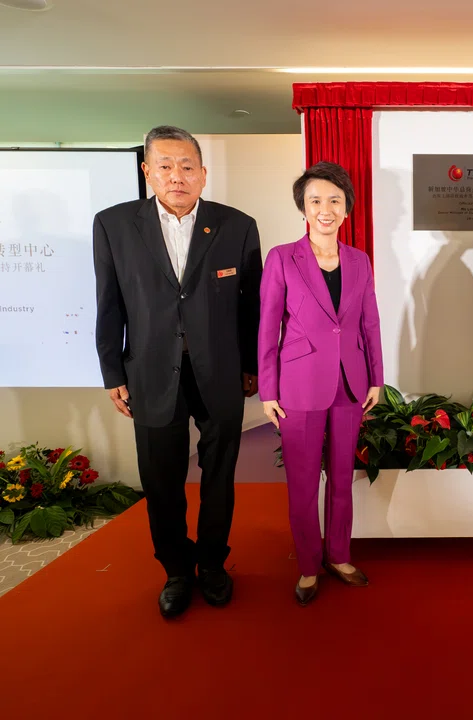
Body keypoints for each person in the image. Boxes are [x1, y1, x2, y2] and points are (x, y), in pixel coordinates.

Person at [93, 125, 262, 618]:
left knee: (219, 475)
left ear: (203, 174)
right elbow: (109, 304)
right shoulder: (114, 225)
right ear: (148, 171)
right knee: (161, 479)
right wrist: (112, 371)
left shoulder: (237, 225)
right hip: (148, 372)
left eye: (187, 166)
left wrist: (251, 365)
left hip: (220, 373)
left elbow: (251, 306)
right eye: (165, 166)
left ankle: (212, 564)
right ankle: (176, 570)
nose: (176, 176)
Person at [258, 162, 383, 606]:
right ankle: (309, 565)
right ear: (303, 208)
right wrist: (268, 390)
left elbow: (370, 322)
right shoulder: (281, 258)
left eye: (334, 200)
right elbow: (268, 326)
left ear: (347, 209)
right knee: (303, 482)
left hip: (350, 383)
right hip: (299, 385)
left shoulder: (359, 260)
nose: (325, 209)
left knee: (343, 478)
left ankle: (339, 556)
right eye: (315, 201)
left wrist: (377, 378)